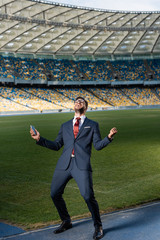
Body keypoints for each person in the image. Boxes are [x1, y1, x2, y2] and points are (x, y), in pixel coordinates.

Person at [30, 96, 117, 240]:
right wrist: (40, 139)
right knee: (54, 194)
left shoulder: (92, 124)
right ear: (73, 106)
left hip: (81, 165)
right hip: (64, 165)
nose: (78, 102)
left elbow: (97, 146)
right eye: (76, 101)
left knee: (88, 196)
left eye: (81, 101)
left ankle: (98, 226)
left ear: (86, 107)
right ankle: (66, 221)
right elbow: (57, 145)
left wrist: (108, 138)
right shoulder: (65, 125)